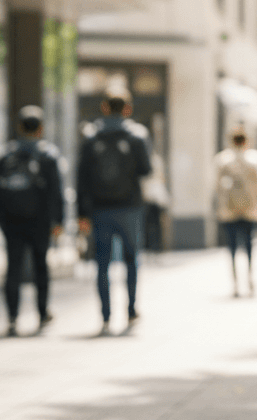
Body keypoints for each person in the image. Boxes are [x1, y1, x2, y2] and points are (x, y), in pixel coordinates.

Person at [76, 88, 153, 336]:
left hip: (100, 209)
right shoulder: (137, 136)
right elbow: (146, 170)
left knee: (102, 263)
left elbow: (82, 178)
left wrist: (82, 213)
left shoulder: (91, 136)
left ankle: (106, 315)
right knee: (132, 260)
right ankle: (131, 309)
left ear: (105, 108)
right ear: (128, 109)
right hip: (129, 206)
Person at [0, 105, 65, 337]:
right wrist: (58, 221)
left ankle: (12, 317)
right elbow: (56, 192)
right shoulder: (47, 155)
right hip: (39, 221)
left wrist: (2, 221)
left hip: (12, 222)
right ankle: (42, 313)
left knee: (13, 267)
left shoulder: (6, 155)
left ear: (19, 127)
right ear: (41, 128)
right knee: (40, 266)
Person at [213, 129, 257, 297]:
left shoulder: (222, 160)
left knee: (232, 247)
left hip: (229, 210)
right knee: (249, 245)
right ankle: (250, 277)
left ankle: (235, 282)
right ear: (247, 140)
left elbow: (216, 185)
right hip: (250, 209)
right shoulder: (256, 159)